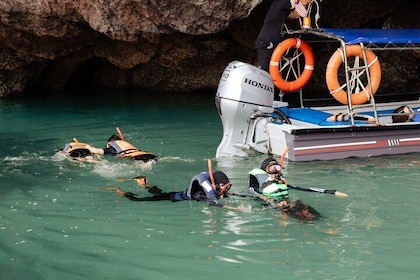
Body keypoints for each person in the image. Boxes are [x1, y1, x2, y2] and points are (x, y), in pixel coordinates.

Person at [248, 156, 348, 220]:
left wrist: (333, 192)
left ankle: (326, 223)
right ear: (265, 171)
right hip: (273, 204)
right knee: (302, 217)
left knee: (311, 213)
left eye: (277, 169)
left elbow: (305, 189)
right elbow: (252, 191)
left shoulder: (281, 183)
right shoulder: (262, 184)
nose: (275, 172)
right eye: (271, 169)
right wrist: (265, 198)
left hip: (288, 202)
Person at [100, 171, 238, 210]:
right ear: (216, 185)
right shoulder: (200, 194)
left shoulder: (213, 189)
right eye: (225, 188)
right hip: (175, 197)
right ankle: (119, 191)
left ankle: (145, 183)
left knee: (159, 193)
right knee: (140, 199)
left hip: (176, 195)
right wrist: (235, 209)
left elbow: (228, 195)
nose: (225, 191)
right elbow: (212, 203)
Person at [255, 0, 313, 71]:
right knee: (263, 71)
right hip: (266, 42)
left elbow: (295, 14)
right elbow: (302, 2)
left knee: (270, 71)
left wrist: (304, 6)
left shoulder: (282, 9)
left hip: (269, 42)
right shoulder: (282, 2)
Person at [87, 127, 156, 162]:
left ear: (109, 143)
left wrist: (88, 147)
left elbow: (95, 150)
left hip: (137, 157)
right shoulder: (124, 143)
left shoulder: (112, 146)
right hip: (149, 155)